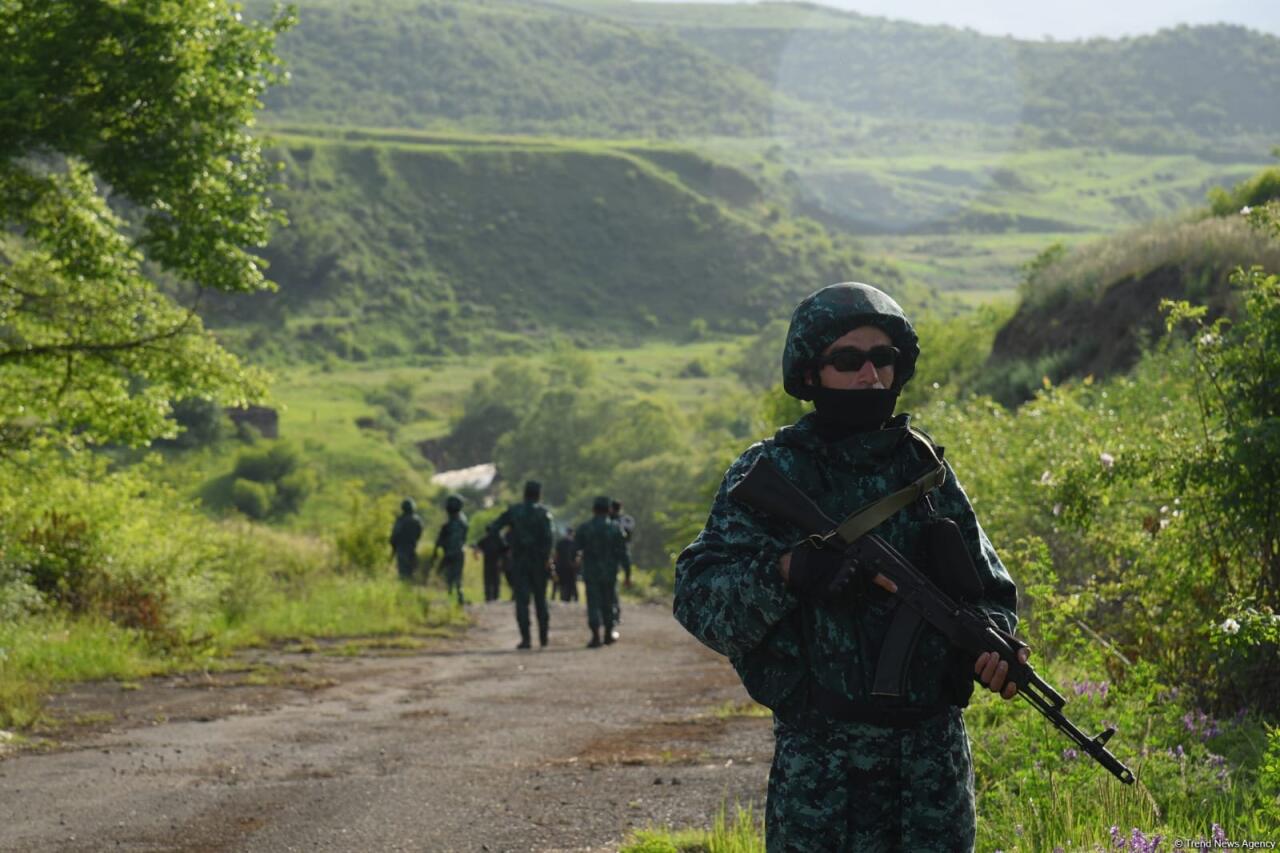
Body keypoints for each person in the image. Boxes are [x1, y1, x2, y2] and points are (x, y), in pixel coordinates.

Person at [672, 282, 1026, 852]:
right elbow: (698, 597)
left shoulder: (924, 469)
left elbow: (989, 590)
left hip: (930, 770)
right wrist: (788, 572)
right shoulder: (773, 472)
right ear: (811, 374)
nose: (871, 377)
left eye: (883, 359)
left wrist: (993, 644)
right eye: (849, 360)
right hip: (822, 773)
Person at [491, 480, 555, 649]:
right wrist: (547, 558)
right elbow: (549, 539)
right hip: (539, 562)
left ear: (524, 493)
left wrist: (505, 547)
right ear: (538, 494)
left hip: (519, 561)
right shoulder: (544, 514)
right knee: (541, 600)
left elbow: (493, 528)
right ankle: (543, 637)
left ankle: (526, 639)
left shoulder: (514, 512)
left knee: (521, 601)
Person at [575, 496, 630, 648]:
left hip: (591, 572)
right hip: (610, 573)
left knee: (593, 603)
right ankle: (608, 634)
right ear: (609, 510)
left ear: (593, 510)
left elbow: (575, 548)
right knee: (608, 602)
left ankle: (595, 637)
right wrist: (627, 574)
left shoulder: (585, 528)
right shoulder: (615, 529)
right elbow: (623, 554)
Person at [433, 494, 469, 605]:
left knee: (452, 577)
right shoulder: (460, 521)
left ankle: (455, 598)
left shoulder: (454, 523)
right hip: (457, 552)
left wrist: (437, 551)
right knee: (454, 577)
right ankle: (455, 598)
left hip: (452, 553)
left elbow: (445, 540)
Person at [607, 498, 634, 626]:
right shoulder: (626, 520)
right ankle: (614, 613)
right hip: (620, 554)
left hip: (611, 555)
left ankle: (611, 613)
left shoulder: (609, 521)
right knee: (612, 586)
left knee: (610, 586)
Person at [389, 497, 424, 582]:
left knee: (403, 573)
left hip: (402, 549)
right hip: (412, 548)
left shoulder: (401, 520)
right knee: (410, 572)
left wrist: (393, 547)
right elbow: (419, 534)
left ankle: (404, 590)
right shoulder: (417, 520)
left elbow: (395, 535)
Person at [475, 523, 510, 603]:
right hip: (496, 562)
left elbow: (477, 547)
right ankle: (495, 597)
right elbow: (506, 550)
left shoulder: (486, 539)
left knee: (488, 580)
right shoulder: (498, 539)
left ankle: (488, 597)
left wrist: (476, 554)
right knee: (495, 580)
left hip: (489, 562)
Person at [554, 526, 580, 602]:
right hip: (571, 568)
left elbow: (556, 555)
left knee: (564, 585)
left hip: (562, 567)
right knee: (571, 585)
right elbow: (578, 556)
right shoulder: (574, 543)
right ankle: (573, 600)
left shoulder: (560, 543)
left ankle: (565, 599)